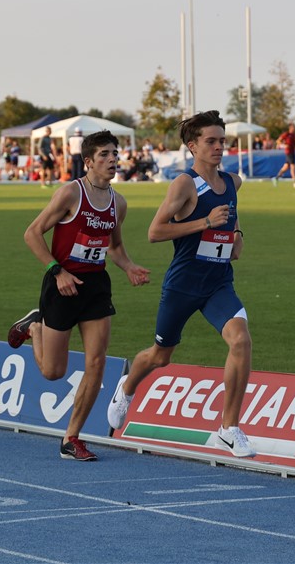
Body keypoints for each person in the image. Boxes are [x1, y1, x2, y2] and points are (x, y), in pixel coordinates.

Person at [106, 110, 256, 459]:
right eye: (211, 141)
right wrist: (205, 222)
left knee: (241, 340)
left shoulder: (233, 182)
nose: (219, 147)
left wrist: (237, 236)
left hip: (218, 283)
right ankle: (127, 387)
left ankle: (228, 429)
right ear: (193, 146)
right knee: (161, 356)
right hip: (184, 284)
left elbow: (232, 218)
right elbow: (155, 232)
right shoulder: (185, 184)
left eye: (222, 140)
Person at [7, 130, 150, 461]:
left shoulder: (118, 203)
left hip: (96, 286)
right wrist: (56, 271)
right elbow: (32, 233)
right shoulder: (71, 193)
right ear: (88, 161)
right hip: (62, 284)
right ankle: (35, 328)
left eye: (115, 153)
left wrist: (129, 267)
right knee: (52, 371)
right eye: (104, 154)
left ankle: (72, 438)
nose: (113, 159)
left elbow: (114, 247)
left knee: (97, 362)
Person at [274, 123, 295, 188]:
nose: (294, 128)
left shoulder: (294, 135)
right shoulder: (286, 134)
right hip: (288, 152)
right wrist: (284, 145)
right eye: (292, 127)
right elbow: (278, 141)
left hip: (293, 152)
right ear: (290, 128)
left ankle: (276, 178)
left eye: (294, 127)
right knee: (293, 166)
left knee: (286, 167)